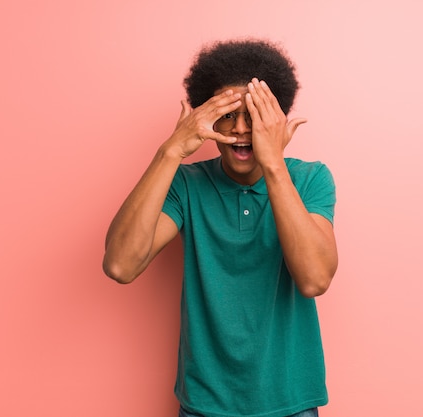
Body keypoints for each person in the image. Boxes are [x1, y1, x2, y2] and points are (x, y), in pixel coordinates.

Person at [102, 38, 338, 417]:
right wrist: (171, 151)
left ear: (276, 118)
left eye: (254, 114)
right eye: (227, 114)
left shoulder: (309, 179)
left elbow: (314, 280)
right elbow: (120, 265)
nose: (240, 129)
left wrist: (273, 163)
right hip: (204, 404)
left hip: (292, 402)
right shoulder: (185, 185)